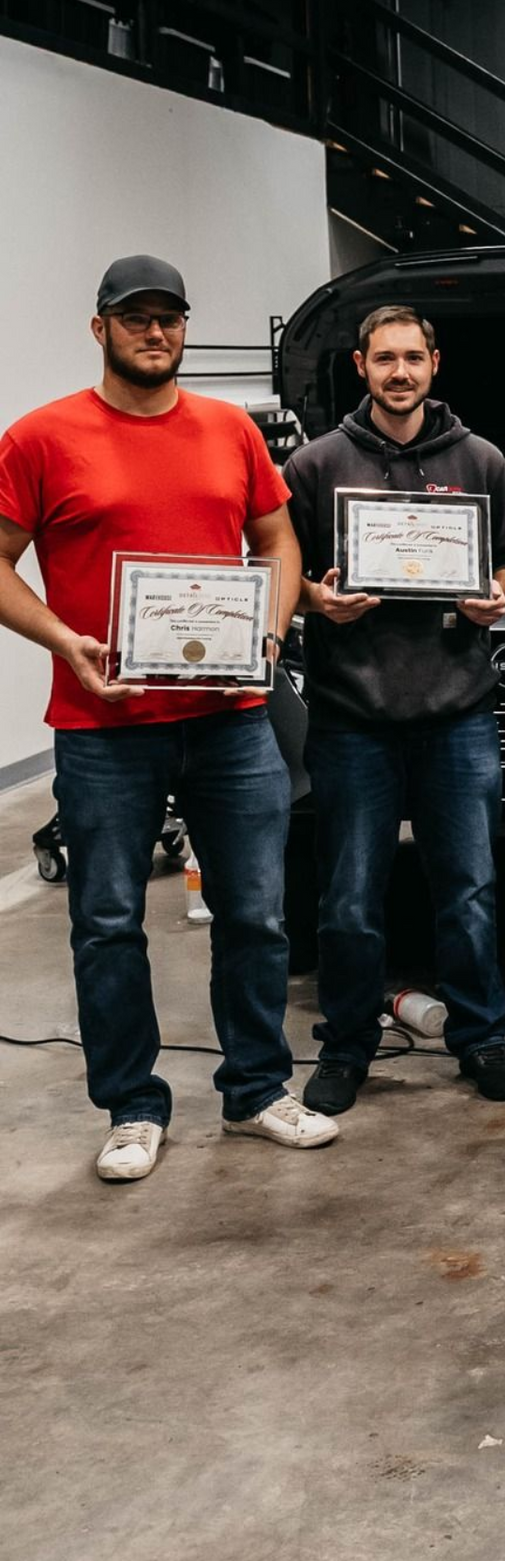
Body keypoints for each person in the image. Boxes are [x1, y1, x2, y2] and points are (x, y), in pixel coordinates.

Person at [0, 254, 336, 1181]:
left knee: (257, 915)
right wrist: (65, 641)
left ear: (185, 327)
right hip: (105, 728)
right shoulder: (41, 437)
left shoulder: (229, 430)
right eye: (135, 317)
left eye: (169, 317)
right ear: (100, 328)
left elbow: (276, 538)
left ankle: (259, 1089)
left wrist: (268, 634)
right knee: (108, 920)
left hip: (231, 718)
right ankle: (132, 1107)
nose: (156, 333)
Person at [282, 304, 505, 1116]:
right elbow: (277, 566)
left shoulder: (481, 459)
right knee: (349, 898)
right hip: (351, 716)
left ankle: (480, 1038)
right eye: (384, 359)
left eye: (413, 358)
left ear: (436, 363)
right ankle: (349, 1045)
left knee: (468, 889)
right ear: (361, 366)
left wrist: (497, 592)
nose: (400, 372)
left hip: (458, 713)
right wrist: (316, 604)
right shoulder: (316, 466)